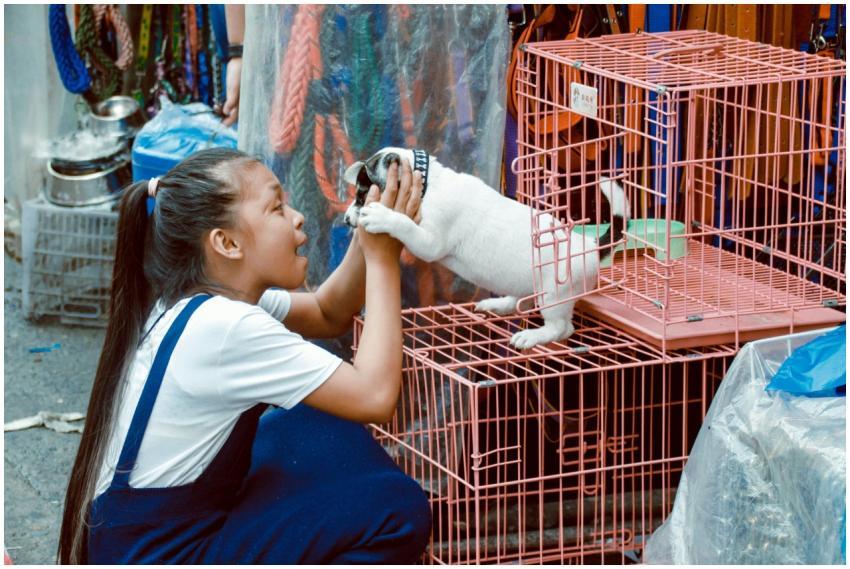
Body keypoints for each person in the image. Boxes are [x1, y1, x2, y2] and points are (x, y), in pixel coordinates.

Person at [57, 147, 431, 564]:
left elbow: (329, 312)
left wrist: (370, 226)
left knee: (321, 418)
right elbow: (376, 397)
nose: (297, 216)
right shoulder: (226, 328)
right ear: (227, 243)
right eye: (276, 208)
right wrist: (384, 256)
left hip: (137, 535)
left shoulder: (198, 298)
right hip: (159, 553)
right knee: (397, 508)